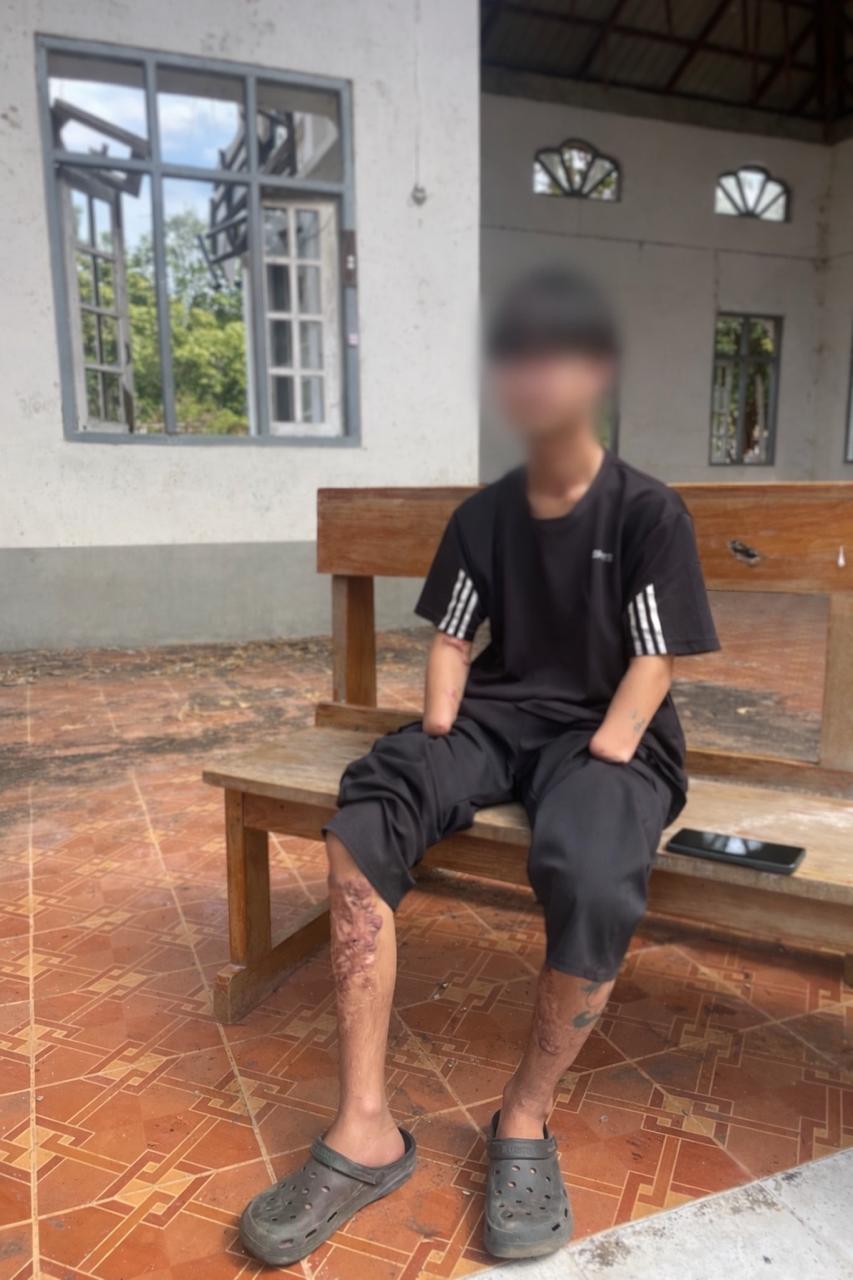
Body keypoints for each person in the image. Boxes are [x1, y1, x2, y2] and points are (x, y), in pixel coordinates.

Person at [239, 266, 720, 1266]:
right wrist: (441, 736)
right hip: (499, 717)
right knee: (369, 813)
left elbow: (655, 653)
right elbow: (454, 639)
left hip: (608, 730)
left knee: (589, 864)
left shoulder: (644, 511)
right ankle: (363, 1126)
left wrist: (606, 750)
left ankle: (523, 1118)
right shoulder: (486, 514)